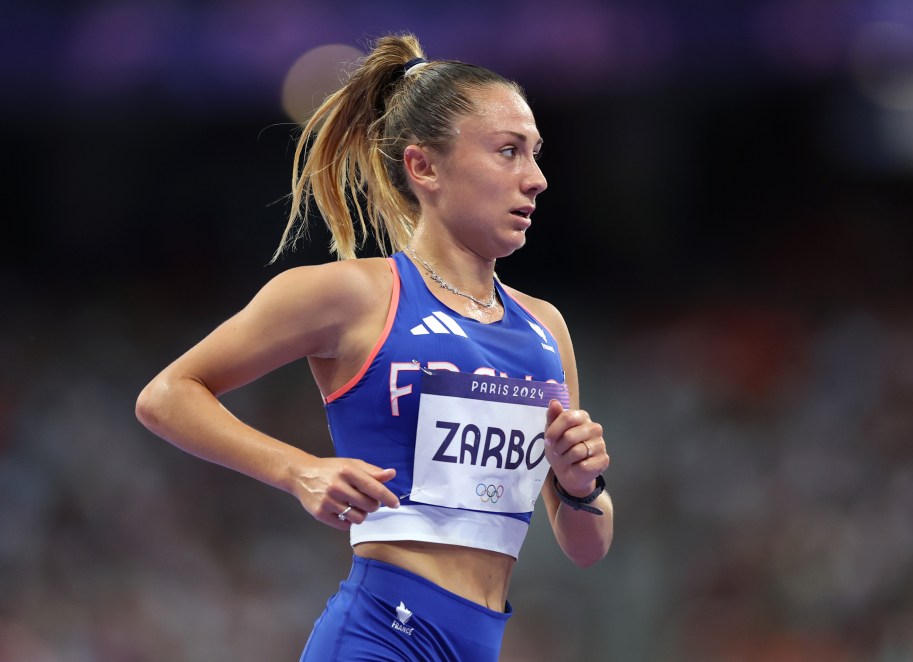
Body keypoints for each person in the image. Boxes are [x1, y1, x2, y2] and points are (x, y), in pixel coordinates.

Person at [136, 32, 613, 662]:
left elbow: (586, 546)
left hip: (479, 645)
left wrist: (579, 486)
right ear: (424, 167)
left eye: (536, 153)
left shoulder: (545, 329)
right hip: (380, 636)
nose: (537, 179)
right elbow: (166, 396)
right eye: (508, 152)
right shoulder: (354, 295)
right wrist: (297, 470)